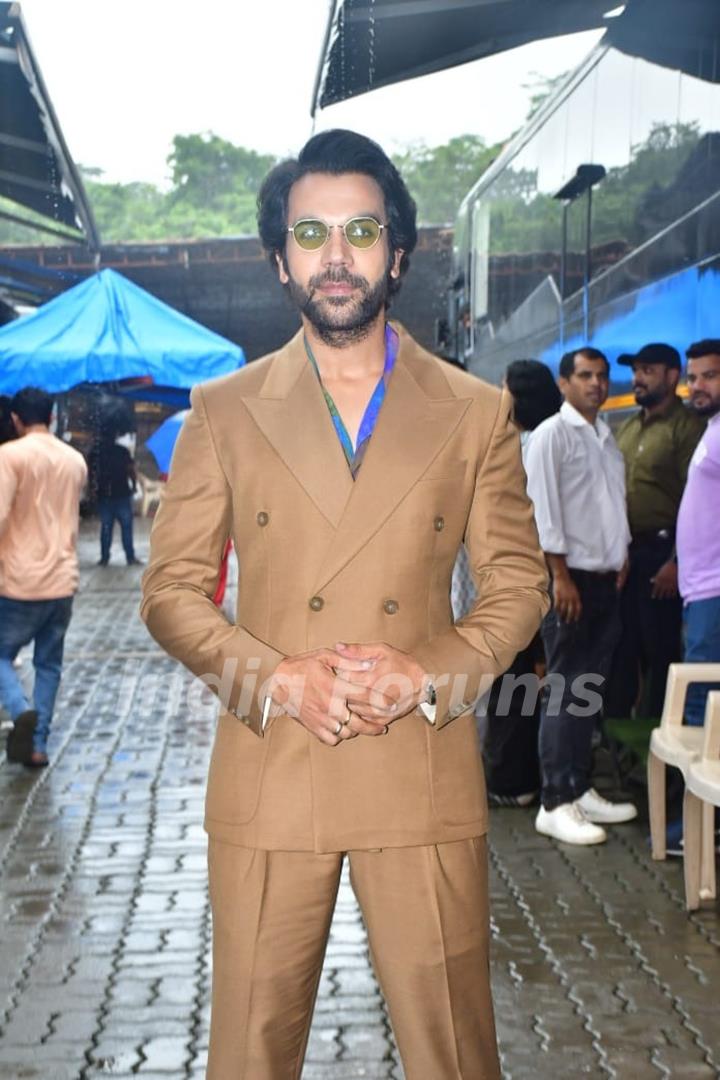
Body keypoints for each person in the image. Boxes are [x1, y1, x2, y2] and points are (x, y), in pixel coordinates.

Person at [141, 129, 548, 1079]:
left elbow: (519, 584)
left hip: (420, 769)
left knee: (455, 1054)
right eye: (310, 233)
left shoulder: (474, 410)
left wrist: (428, 674)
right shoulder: (223, 410)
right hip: (273, 765)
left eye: (360, 231)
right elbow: (168, 592)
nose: (336, 255)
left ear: (397, 252)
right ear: (281, 260)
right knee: (250, 1052)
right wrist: (275, 678)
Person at [525, 346, 637, 845]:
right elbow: (544, 509)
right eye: (585, 376)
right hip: (571, 580)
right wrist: (559, 575)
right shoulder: (552, 435)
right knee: (567, 690)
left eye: (601, 376)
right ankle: (554, 800)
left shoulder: (604, 436)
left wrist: (624, 551)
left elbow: (612, 503)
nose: (596, 384)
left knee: (587, 690)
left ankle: (578, 786)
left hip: (606, 578)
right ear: (564, 383)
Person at [452, 359, 561, 806]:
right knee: (511, 686)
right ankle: (503, 776)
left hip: (508, 589)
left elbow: (533, 523)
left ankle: (507, 779)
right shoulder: (516, 440)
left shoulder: (522, 445)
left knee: (509, 686)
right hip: (507, 589)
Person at [608, 343, 704, 718]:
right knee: (623, 647)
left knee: (660, 652)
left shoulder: (688, 429)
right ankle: (618, 744)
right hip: (629, 557)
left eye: (648, 370)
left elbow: (698, 505)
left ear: (672, 375)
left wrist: (676, 562)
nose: (637, 378)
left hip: (664, 556)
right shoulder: (630, 427)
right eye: (636, 371)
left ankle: (659, 740)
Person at [0, 387, 87, 767]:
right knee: (49, 665)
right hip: (62, 579)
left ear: (16, 419)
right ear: (50, 417)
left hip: (19, 580)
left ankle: (19, 710)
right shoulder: (74, 460)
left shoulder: (9, 457)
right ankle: (38, 745)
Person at [677, 340, 720, 727]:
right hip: (700, 589)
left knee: (699, 705)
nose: (698, 385)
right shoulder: (712, 429)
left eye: (710, 376)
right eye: (693, 377)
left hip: (714, 589)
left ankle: (692, 789)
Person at [96, 433, 140, 566]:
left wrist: (93, 492)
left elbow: (92, 474)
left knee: (106, 527)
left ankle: (104, 558)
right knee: (126, 527)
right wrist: (133, 485)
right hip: (122, 493)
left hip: (105, 495)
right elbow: (131, 470)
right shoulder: (122, 451)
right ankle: (130, 557)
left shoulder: (97, 452)